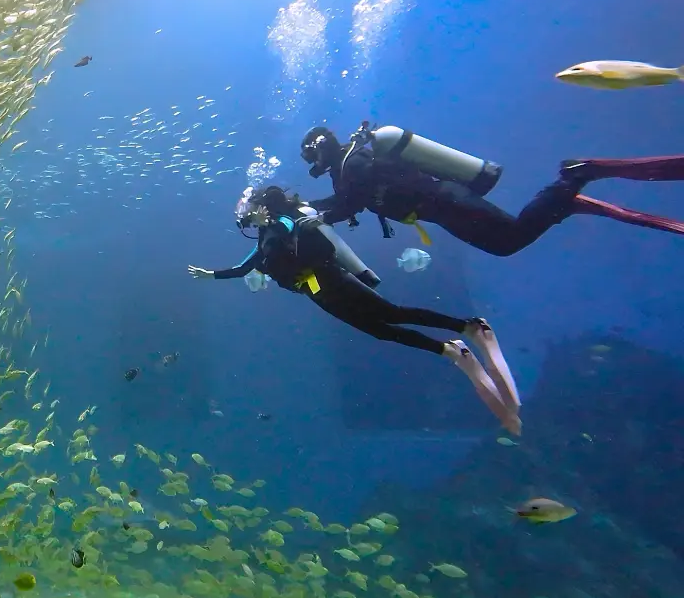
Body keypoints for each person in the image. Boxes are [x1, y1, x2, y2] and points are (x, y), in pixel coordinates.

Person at [187, 185, 521, 434]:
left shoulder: (284, 224)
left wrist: (271, 218)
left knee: (392, 313)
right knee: (380, 331)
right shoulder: (263, 238)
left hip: (332, 278)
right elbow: (244, 268)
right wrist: (212, 275)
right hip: (315, 291)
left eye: (250, 207)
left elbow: (292, 231)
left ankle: (470, 327)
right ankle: (450, 350)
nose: (245, 213)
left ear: (262, 206)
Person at [301, 122, 684, 256]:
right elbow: (346, 200)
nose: (313, 167)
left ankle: (574, 177)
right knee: (504, 246)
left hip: (445, 200)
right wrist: (310, 207)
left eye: (311, 159)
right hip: (439, 211)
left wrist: (311, 213)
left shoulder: (355, 163)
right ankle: (562, 201)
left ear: (320, 151)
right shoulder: (347, 167)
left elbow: (349, 202)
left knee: (512, 237)